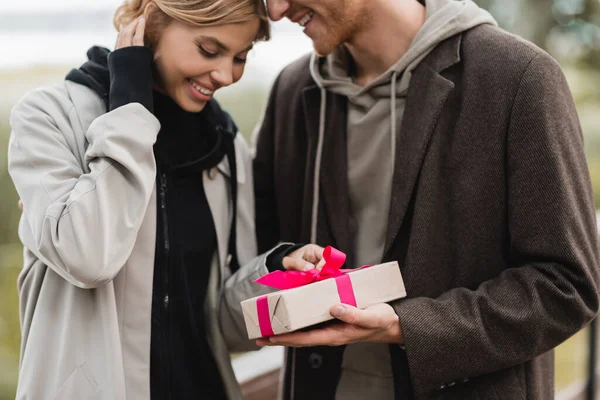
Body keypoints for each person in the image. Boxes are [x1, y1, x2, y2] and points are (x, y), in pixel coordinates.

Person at [253, 0, 600, 398]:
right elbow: (259, 252)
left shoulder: (517, 76)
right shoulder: (292, 91)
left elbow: (566, 287)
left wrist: (406, 326)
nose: (276, 11)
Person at [7, 0, 324, 399]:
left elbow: (223, 326)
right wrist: (131, 112)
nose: (226, 75)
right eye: (209, 50)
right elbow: (87, 257)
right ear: (150, 23)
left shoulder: (224, 145)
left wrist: (276, 271)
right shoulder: (50, 118)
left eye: (241, 57)